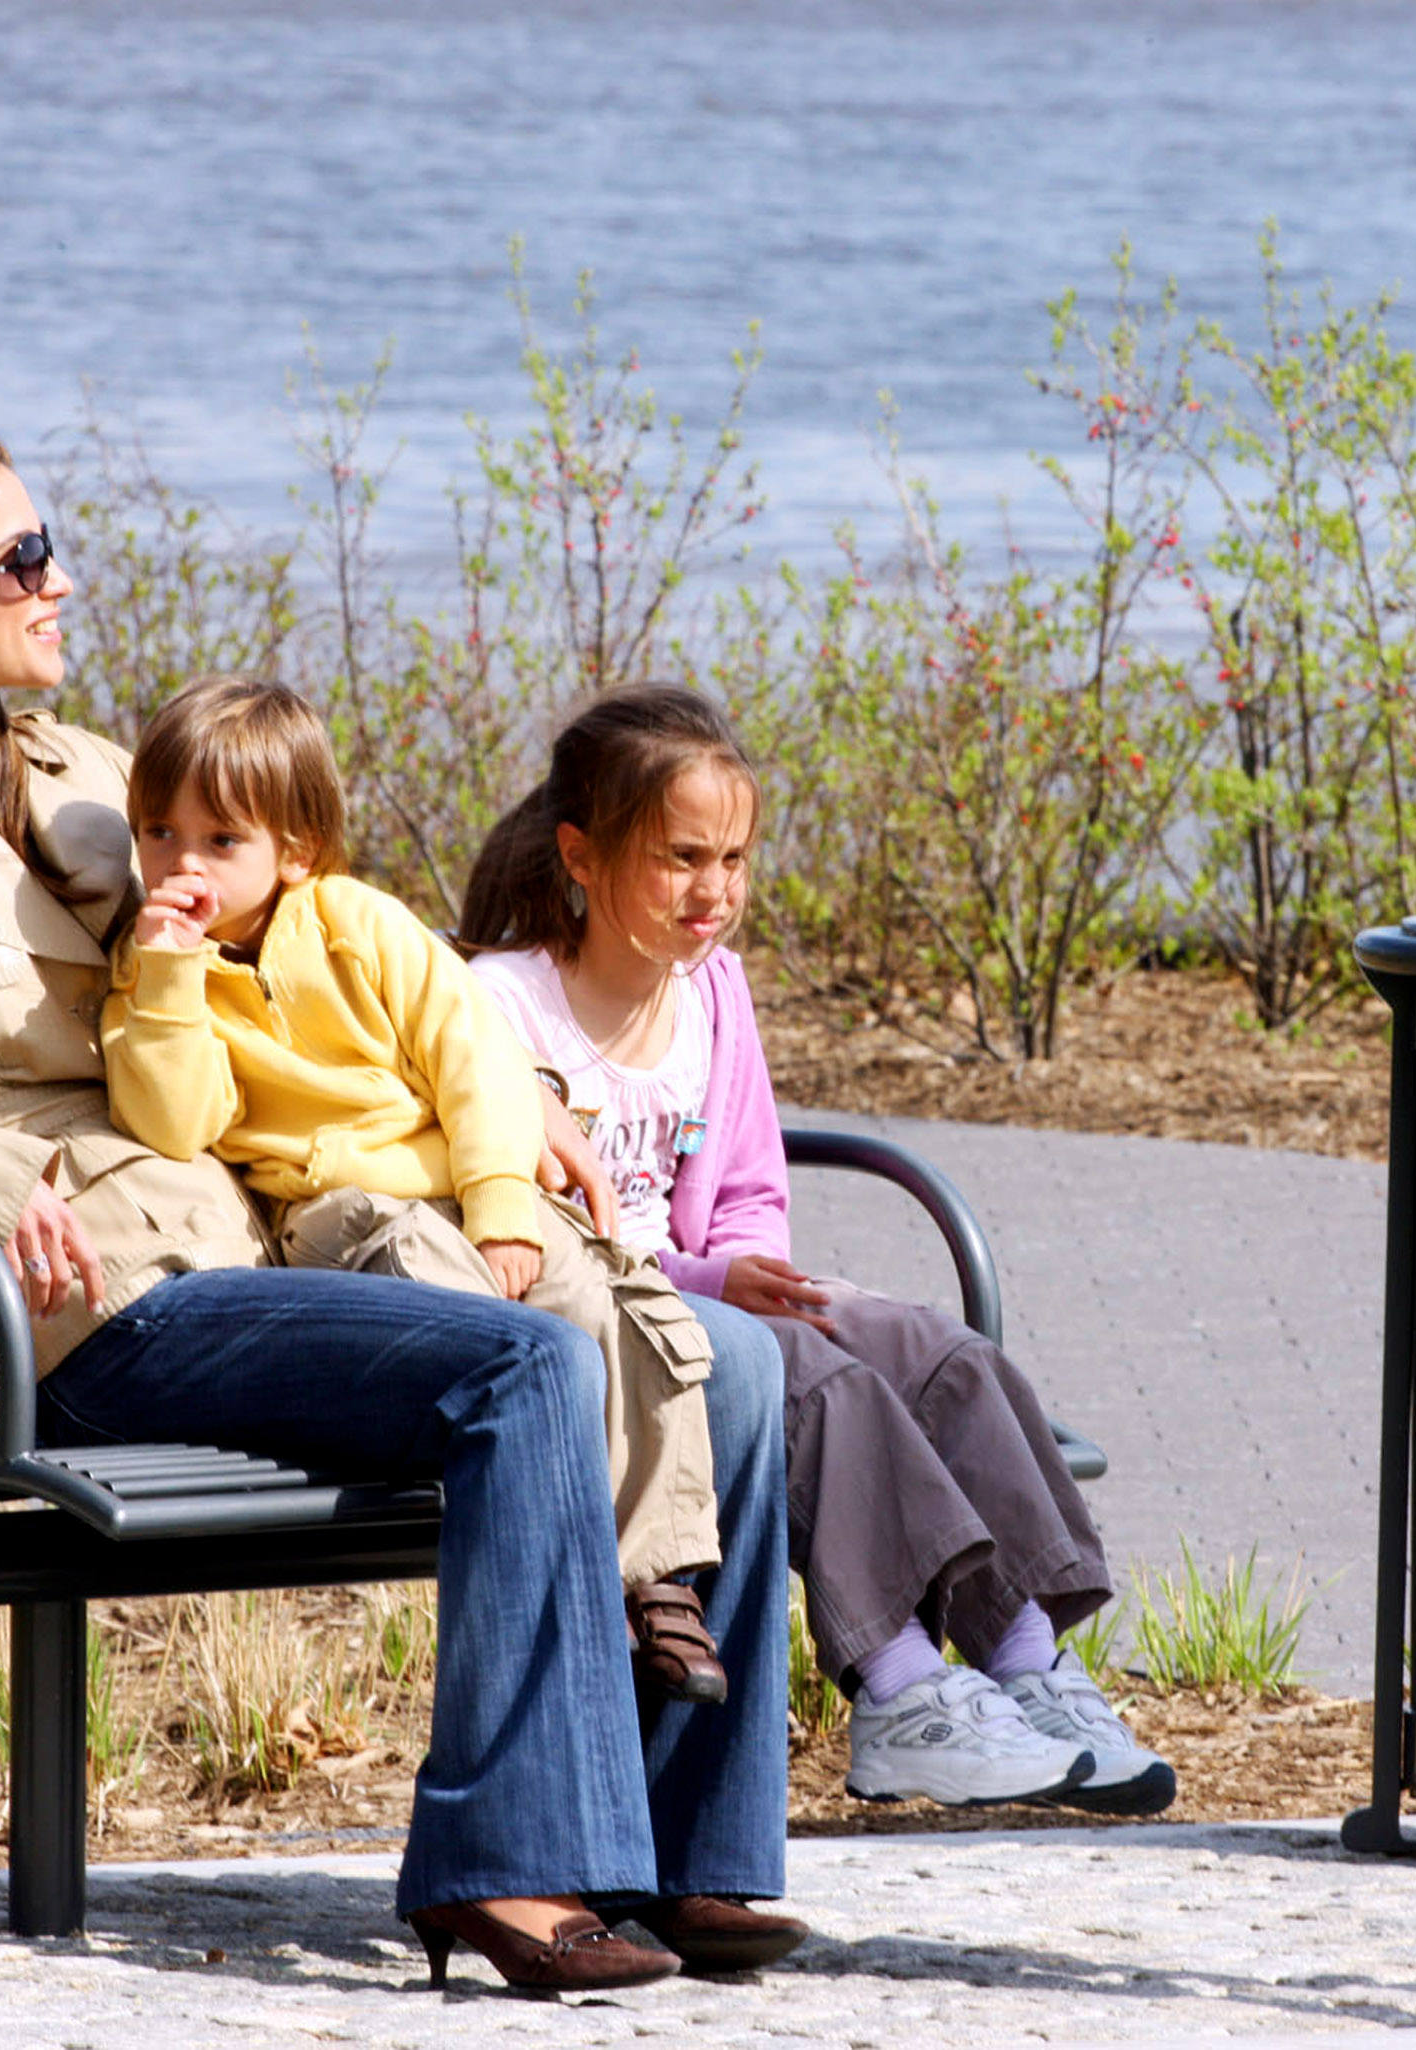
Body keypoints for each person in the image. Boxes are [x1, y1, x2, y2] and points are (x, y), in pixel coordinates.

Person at [0, 419, 804, 1989]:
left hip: (264, 1232)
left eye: (47, 542)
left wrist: (509, 1092)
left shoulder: (92, 778)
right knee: (521, 1365)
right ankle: (508, 1863)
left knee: (731, 1359)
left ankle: (691, 1861)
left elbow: (320, 945)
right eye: (19, 560)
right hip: (83, 1300)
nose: (57, 580)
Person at [459, 685, 1175, 1816]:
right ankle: (898, 1693)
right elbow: (542, 1230)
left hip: (713, 1294)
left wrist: (759, 1274)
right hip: (608, 1321)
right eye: (682, 857)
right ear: (581, 857)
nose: (716, 890)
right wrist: (719, 1286)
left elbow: (746, 1188)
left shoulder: (714, 992)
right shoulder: (500, 1008)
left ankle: (1028, 1662)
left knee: (939, 1352)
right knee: (821, 1385)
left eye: (735, 858)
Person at [98, 673, 731, 1704]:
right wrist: (166, 977)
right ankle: (573, 1568)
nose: (182, 864)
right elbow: (177, 1122)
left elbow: (475, 1058)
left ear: (295, 850)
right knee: (456, 1300)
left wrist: (501, 1205)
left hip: (460, 1184)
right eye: (159, 833)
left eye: (221, 842)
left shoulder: (356, 923)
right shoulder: (157, 976)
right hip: (332, 1210)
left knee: (605, 1305)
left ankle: (655, 1577)